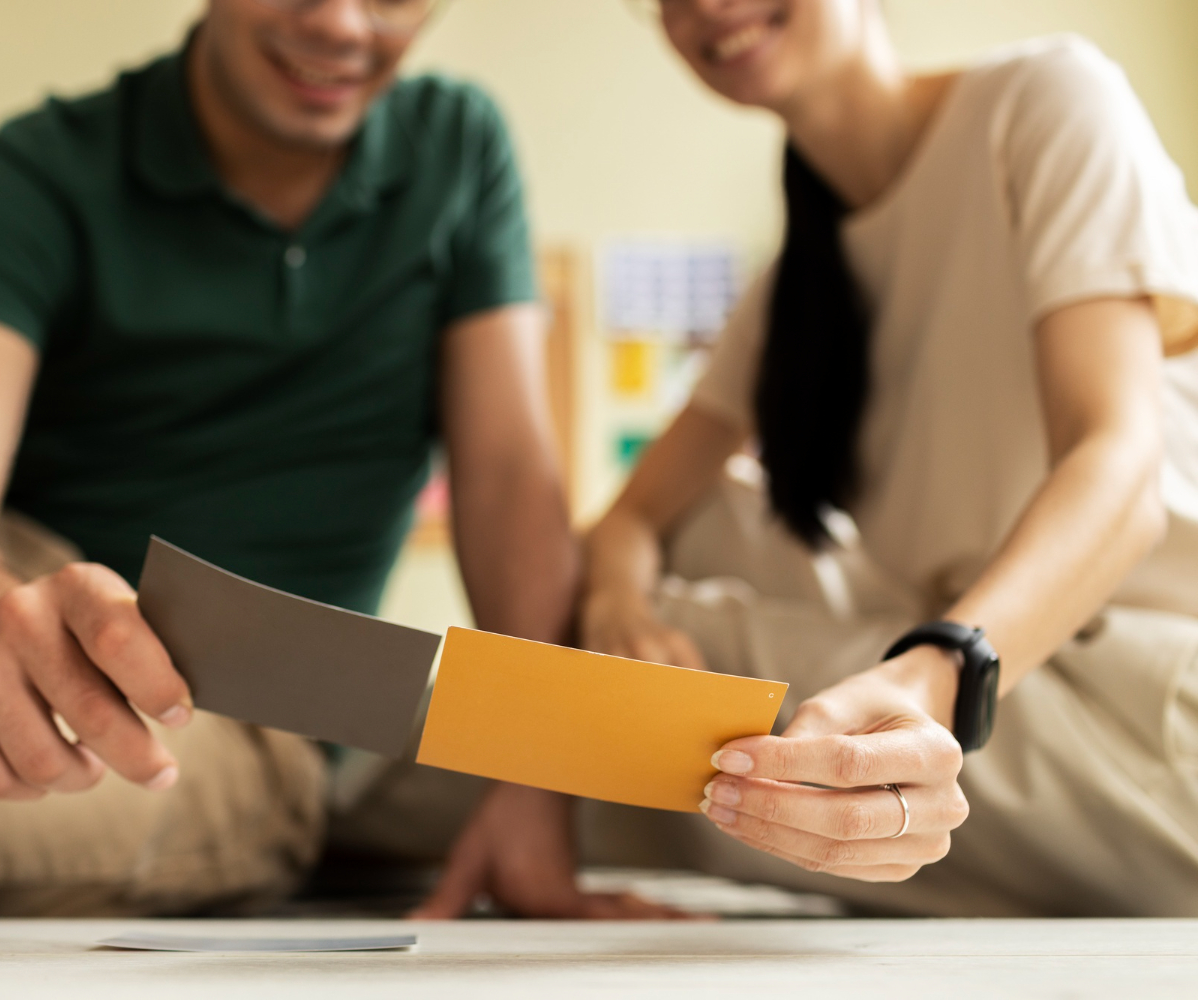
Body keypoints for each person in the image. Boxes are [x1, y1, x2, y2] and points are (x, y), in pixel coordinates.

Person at [0, 0, 594, 917]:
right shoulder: (32, 173)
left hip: (217, 717)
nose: (341, 24)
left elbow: (511, 480)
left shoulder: (457, 150)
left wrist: (533, 780)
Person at [420, 0, 1198, 918]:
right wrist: (618, 604)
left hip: (1142, 703)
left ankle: (354, 787)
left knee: (633, 688)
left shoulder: (1049, 102)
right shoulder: (798, 282)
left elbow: (1119, 463)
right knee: (665, 571)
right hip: (983, 685)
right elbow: (630, 519)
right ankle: (405, 779)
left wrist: (932, 674)